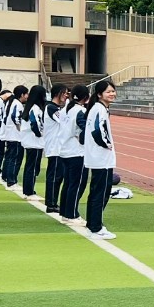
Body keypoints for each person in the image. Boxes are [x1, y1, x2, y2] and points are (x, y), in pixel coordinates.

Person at [83, 79, 118, 239]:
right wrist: (107, 144)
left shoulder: (98, 108)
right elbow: (97, 131)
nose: (112, 94)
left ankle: (92, 224)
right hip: (101, 158)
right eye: (108, 92)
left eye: (113, 91)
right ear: (99, 94)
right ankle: (96, 227)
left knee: (97, 192)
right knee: (101, 193)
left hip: (98, 158)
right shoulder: (99, 109)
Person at [58, 85, 89, 225]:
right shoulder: (81, 111)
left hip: (64, 149)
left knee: (68, 183)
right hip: (77, 151)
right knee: (76, 184)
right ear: (85, 97)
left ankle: (65, 212)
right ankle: (72, 214)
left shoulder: (65, 109)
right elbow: (85, 130)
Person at [43, 84, 69, 217]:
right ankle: (51, 203)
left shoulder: (56, 108)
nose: (66, 95)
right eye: (64, 93)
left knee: (58, 176)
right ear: (58, 93)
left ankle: (53, 201)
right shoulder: (51, 108)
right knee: (54, 176)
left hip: (58, 147)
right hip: (54, 147)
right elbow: (64, 121)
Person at [19, 85, 47, 201]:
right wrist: (40, 134)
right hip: (34, 141)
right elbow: (35, 123)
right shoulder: (35, 108)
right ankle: (29, 191)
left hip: (30, 140)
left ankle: (28, 190)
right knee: (33, 167)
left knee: (31, 166)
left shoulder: (30, 107)